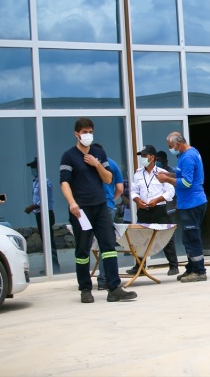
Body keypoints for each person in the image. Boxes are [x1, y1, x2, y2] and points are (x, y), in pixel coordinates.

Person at [60, 118, 137, 303]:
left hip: (101, 206)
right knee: (82, 250)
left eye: (90, 131)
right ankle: (85, 289)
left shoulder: (98, 153)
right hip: (81, 209)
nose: (87, 135)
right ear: (76, 134)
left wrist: (96, 164)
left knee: (108, 247)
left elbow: (109, 179)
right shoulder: (68, 156)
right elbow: (64, 183)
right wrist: (72, 203)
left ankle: (114, 288)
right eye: (84, 132)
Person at [157, 132, 208, 283]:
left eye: (170, 146)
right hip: (188, 203)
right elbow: (181, 177)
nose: (170, 149)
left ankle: (199, 270)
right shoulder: (188, 154)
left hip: (192, 203)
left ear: (178, 144)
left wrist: (166, 179)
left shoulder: (188, 157)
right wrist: (169, 175)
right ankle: (192, 267)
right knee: (188, 238)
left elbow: (186, 182)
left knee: (192, 238)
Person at [130, 145, 180, 275]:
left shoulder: (162, 173)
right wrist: (137, 200)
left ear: (152, 157)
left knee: (166, 236)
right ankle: (140, 266)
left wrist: (156, 200)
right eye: (141, 156)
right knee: (140, 238)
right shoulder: (138, 173)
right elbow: (134, 191)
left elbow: (170, 192)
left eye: (145, 156)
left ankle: (173, 266)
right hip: (143, 209)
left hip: (158, 209)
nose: (142, 158)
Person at [92, 143, 124, 290]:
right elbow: (120, 188)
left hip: (88, 206)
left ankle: (85, 283)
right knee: (107, 245)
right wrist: (112, 199)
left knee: (85, 246)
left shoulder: (85, 163)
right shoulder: (112, 164)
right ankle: (104, 280)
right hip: (107, 207)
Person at [24, 158, 60, 274]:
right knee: (45, 240)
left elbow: (43, 199)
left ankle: (54, 267)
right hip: (39, 214)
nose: (32, 170)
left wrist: (32, 207)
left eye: (33, 168)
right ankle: (49, 266)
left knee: (49, 240)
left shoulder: (44, 181)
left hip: (46, 214)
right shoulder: (36, 181)